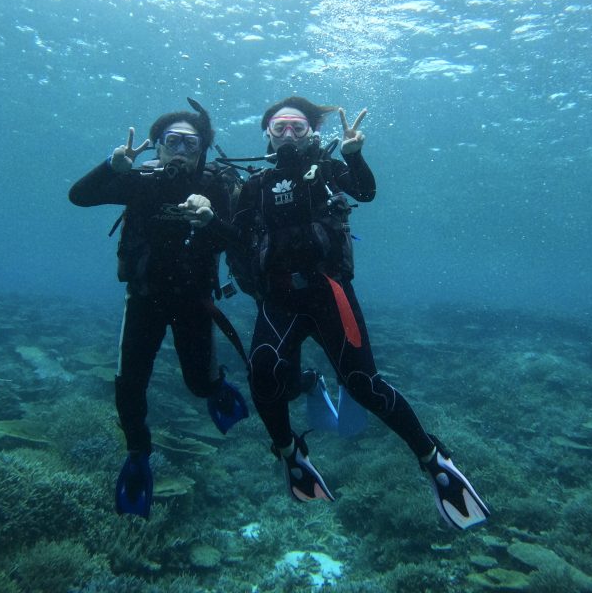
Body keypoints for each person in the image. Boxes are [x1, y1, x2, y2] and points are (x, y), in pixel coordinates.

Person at [231, 96, 489, 530]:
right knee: (263, 371)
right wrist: (206, 218)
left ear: (312, 134)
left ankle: (434, 459)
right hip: (279, 299)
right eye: (280, 128)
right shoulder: (255, 186)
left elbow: (365, 192)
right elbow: (235, 237)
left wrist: (354, 154)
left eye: (298, 128)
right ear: (267, 136)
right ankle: (290, 454)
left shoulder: (327, 170)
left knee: (364, 385)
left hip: (328, 293)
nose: (289, 135)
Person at [69, 100, 248, 519]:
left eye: (191, 143)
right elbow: (79, 196)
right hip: (144, 298)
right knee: (129, 384)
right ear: (157, 147)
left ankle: (215, 387)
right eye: (172, 141)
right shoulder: (139, 181)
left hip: (194, 301)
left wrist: (211, 220)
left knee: (198, 385)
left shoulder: (218, 185)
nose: (180, 151)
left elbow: (241, 242)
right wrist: (111, 167)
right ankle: (137, 455)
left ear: (203, 149)